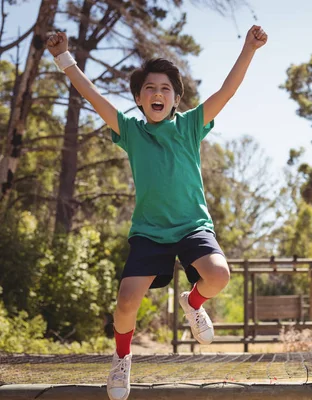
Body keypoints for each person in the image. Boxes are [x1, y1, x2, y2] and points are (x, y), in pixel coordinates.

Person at [46, 25, 268, 400]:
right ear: (138, 98)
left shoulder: (191, 125)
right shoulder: (131, 130)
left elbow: (227, 91)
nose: (157, 93)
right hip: (149, 231)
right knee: (127, 299)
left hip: (192, 226)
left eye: (165, 88)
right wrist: (63, 58)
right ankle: (121, 358)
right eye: (149, 88)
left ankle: (192, 303)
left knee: (218, 275)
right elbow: (93, 95)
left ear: (176, 99)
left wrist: (248, 48)